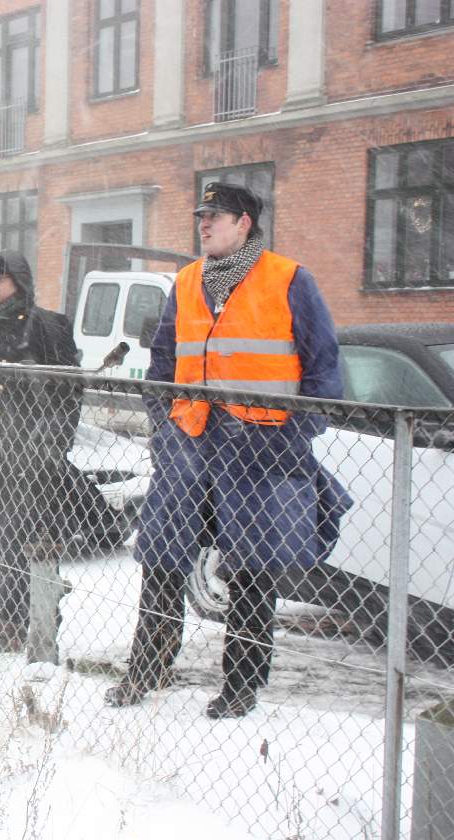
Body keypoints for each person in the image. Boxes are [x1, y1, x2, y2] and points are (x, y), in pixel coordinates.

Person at [104, 182, 347, 719]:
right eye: (201, 215)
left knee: (252, 568)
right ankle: (146, 668)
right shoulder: (188, 281)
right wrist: (162, 423)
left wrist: (291, 433)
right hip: (188, 444)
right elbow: (163, 360)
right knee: (162, 560)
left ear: (244, 223)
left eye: (214, 215)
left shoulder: (289, 279)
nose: (204, 223)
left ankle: (241, 684)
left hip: (258, 448)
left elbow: (324, 368)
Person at [0, 250, 81, 655]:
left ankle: (32, 621)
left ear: (20, 282)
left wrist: (48, 446)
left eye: (1, 277)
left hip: (34, 458)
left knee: (29, 536)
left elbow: (68, 393)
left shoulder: (47, 326)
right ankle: (10, 615)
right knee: (6, 538)